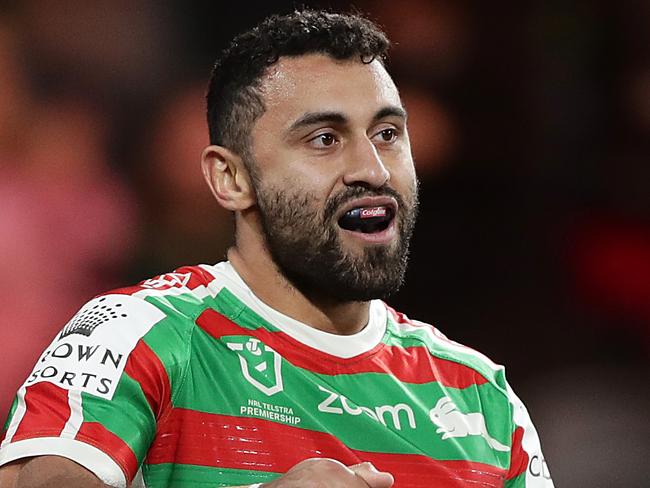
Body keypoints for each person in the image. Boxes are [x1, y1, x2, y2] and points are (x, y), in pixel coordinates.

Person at [0, 10, 554, 488]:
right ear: (231, 179)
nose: (373, 169)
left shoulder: (483, 401)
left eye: (387, 133)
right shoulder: (139, 333)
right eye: (324, 140)